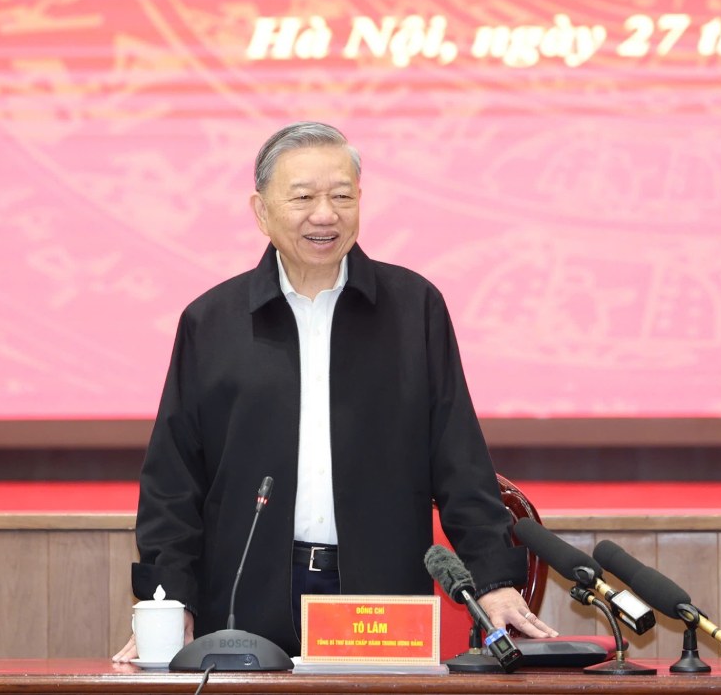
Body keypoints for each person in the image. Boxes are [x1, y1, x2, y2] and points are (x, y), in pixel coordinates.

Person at [114, 122, 556, 662]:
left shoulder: (413, 308)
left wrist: (492, 578)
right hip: (245, 596)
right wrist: (170, 601)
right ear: (261, 211)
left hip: (377, 598)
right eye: (302, 197)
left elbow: (458, 457)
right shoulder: (212, 322)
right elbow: (173, 480)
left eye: (342, 196)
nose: (324, 214)